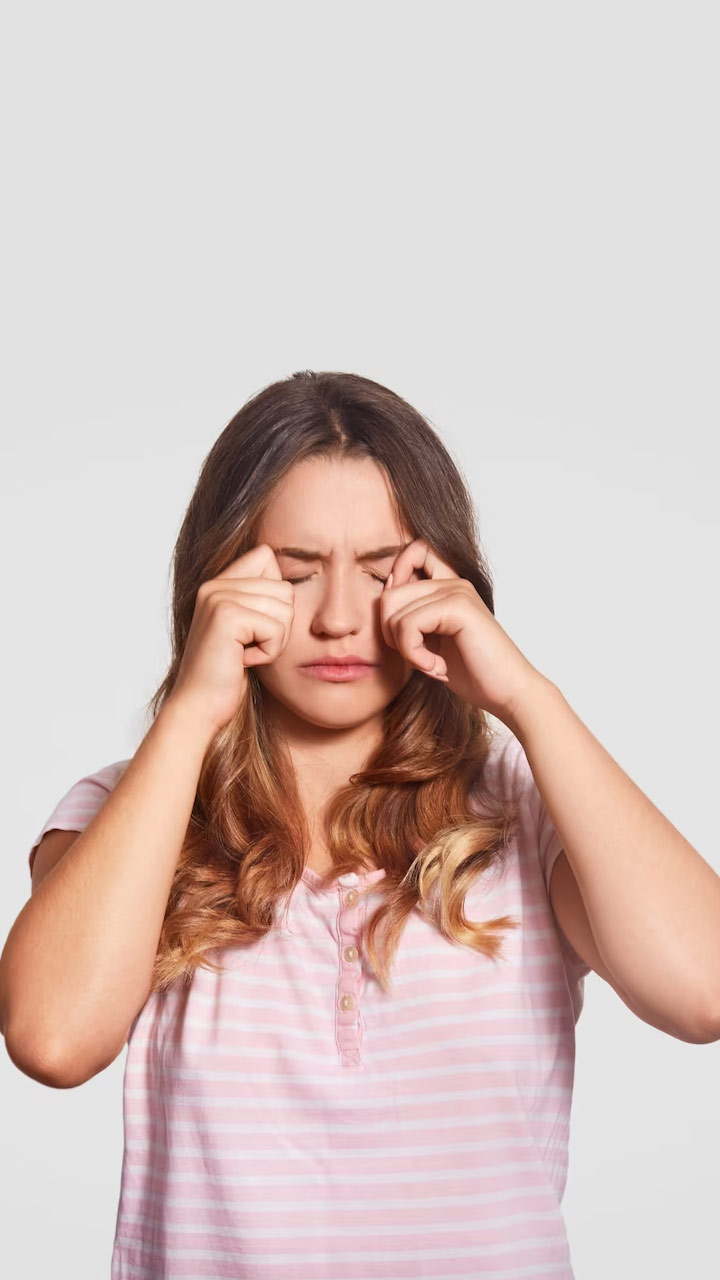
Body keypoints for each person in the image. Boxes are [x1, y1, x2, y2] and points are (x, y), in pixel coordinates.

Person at [3, 370, 595, 1278]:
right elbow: (52, 1038)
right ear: (221, 580)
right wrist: (191, 711)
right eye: (293, 573)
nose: (338, 619)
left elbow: (702, 990)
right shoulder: (130, 810)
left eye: (382, 572)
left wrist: (527, 697)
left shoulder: (527, 804)